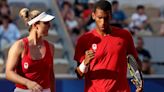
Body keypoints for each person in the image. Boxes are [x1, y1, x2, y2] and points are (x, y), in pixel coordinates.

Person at [74, 0, 143, 92]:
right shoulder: (84, 39)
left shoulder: (125, 35)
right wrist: (85, 63)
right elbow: (79, 75)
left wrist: (139, 81)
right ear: (93, 15)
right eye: (99, 17)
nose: (102, 22)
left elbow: (135, 61)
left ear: (110, 16)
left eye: (105, 18)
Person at [5, 8, 55, 92]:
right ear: (36, 25)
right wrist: (28, 83)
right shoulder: (19, 45)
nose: (49, 25)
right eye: (46, 23)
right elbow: (8, 73)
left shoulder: (50, 47)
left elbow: (51, 76)